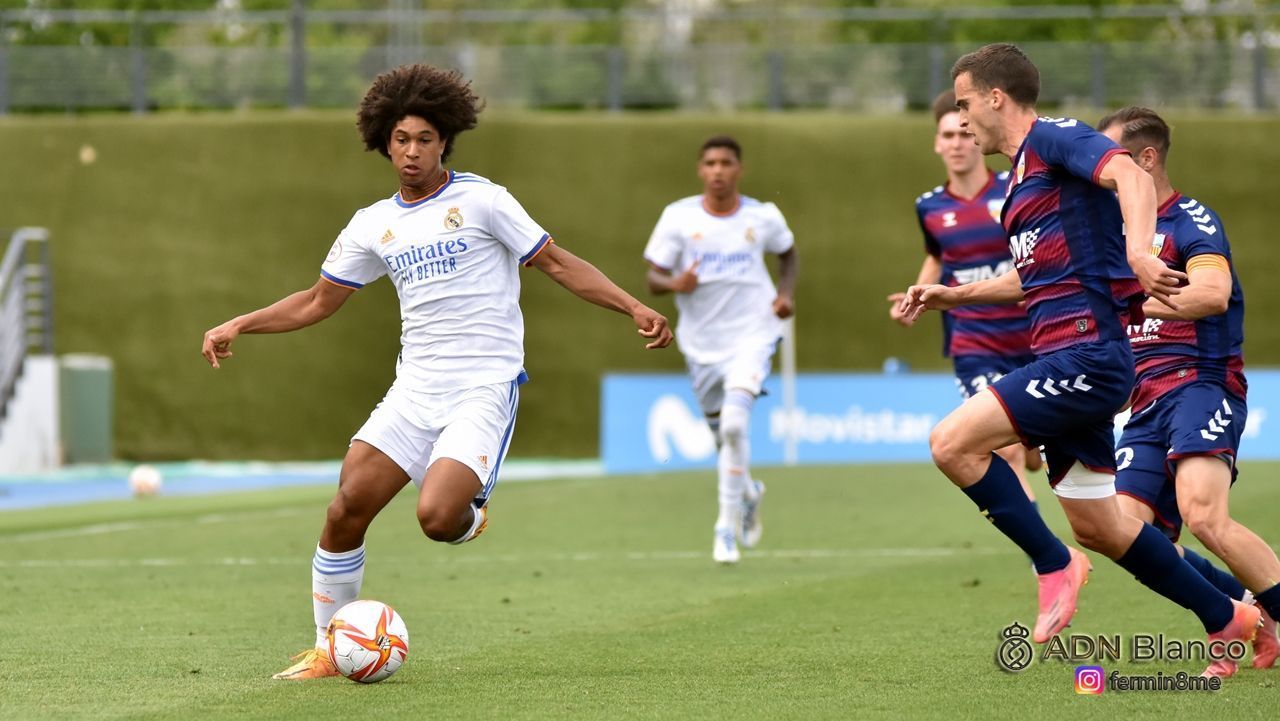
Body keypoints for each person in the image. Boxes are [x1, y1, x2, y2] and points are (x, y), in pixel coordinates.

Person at [200, 64, 673, 680]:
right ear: (384, 143)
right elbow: (316, 302)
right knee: (345, 507)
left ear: (445, 140)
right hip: (414, 390)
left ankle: (470, 515)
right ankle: (326, 648)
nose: (412, 151)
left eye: (425, 138)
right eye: (401, 139)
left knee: (437, 519)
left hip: (482, 387)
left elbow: (557, 263)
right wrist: (240, 323)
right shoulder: (372, 224)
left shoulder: (484, 201)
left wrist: (634, 307)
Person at [899, 43, 1259, 677]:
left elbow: (1132, 177)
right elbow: (1034, 278)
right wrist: (953, 294)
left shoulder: (1054, 138)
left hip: (1086, 355)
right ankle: (1228, 615)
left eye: (964, 104)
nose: (960, 119)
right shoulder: (1020, 184)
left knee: (951, 444)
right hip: (1069, 357)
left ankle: (1053, 563)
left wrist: (1142, 251)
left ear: (995, 98)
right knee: (1102, 528)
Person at [1098, 106, 1279, 672]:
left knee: (1203, 515)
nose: (1101, 171)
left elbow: (1212, 294)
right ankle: (1243, 608)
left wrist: (1131, 303)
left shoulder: (1189, 221)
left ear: (1147, 158)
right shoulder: (1113, 235)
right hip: (1145, 400)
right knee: (1122, 531)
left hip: (1201, 383)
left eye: (1113, 158)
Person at [643, 135, 798, 564]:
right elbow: (653, 279)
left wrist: (785, 294)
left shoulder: (762, 216)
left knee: (733, 425)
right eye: (710, 163)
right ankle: (747, 490)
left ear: (738, 169)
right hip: (701, 343)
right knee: (721, 435)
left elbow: (788, 255)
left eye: (726, 163)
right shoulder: (678, 217)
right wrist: (676, 283)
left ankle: (724, 529)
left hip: (753, 333)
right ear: (700, 169)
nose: (718, 170)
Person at [889, 89, 1040, 508]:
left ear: (974, 136)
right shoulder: (930, 207)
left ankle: (1035, 448)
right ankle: (1044, 546)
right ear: (937, 144)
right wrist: (916, 296)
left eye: (961, 133)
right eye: (946, 136)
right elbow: (938, 256)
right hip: (974, 344)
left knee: (1033, 451)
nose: (955, 143)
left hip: (1033, 338)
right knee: (1006, 450)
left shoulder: (1013, 189)